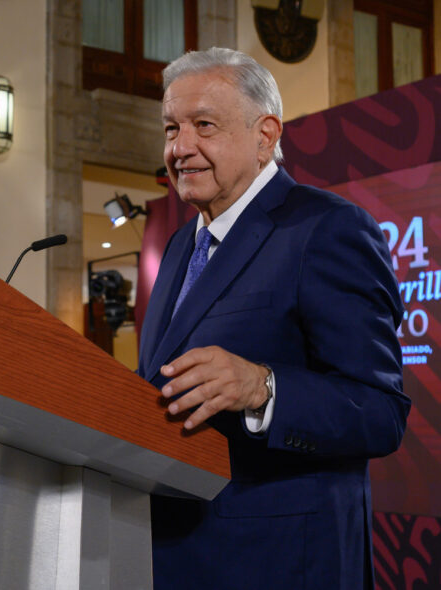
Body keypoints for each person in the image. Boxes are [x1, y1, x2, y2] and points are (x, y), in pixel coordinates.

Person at [137, 47, 410, 590]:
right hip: (171, 556)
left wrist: (263, 388)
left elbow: (380, 412)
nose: (180, 148)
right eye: (171, 129)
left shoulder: (328, 229)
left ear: (265, 135)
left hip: (279, 563)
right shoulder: (176, 248)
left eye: (203, 126)